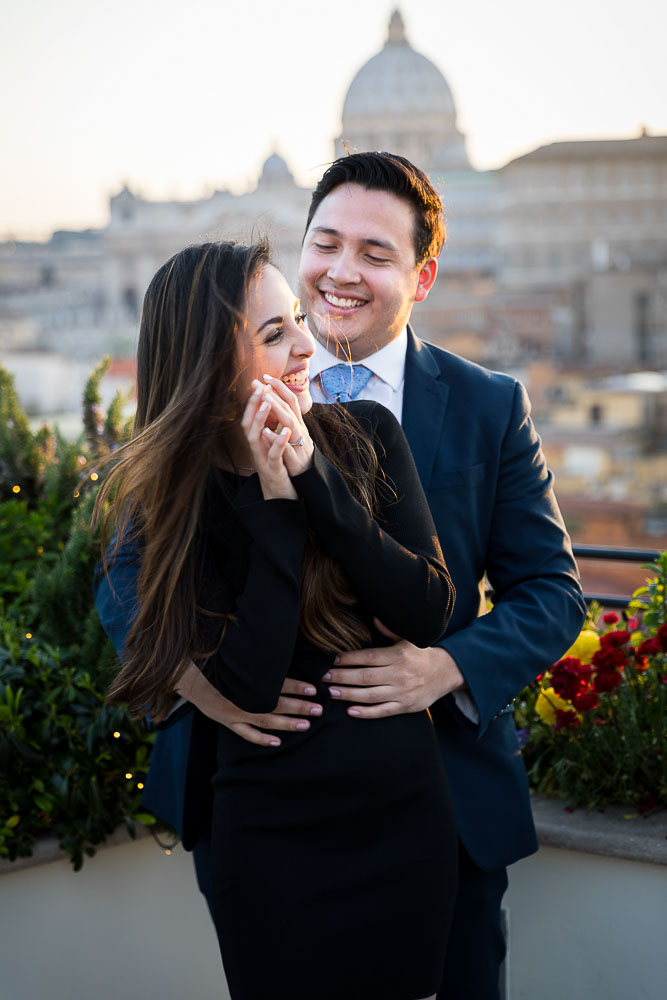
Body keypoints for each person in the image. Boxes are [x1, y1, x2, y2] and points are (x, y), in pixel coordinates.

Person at [96, 153, 588, 999]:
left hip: (437, 808)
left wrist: (446, 667)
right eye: (326, 242)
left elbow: (552, 592)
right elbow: (125, 571)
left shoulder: (487, 404)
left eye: (374, 252)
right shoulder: (223, 379)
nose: (341, 272)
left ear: (422, 276)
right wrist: (194, 679)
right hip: (254, 799)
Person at [95, 239, 458, 1000]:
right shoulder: (168, 507)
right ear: (206, 364)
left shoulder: (366, 434)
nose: (307, 343)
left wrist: (310, 477)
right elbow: (253, 681)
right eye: (273, 334)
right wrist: (277, 511)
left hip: (399, 819)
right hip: (266, 833)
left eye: (297, 318)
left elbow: (426, 609)